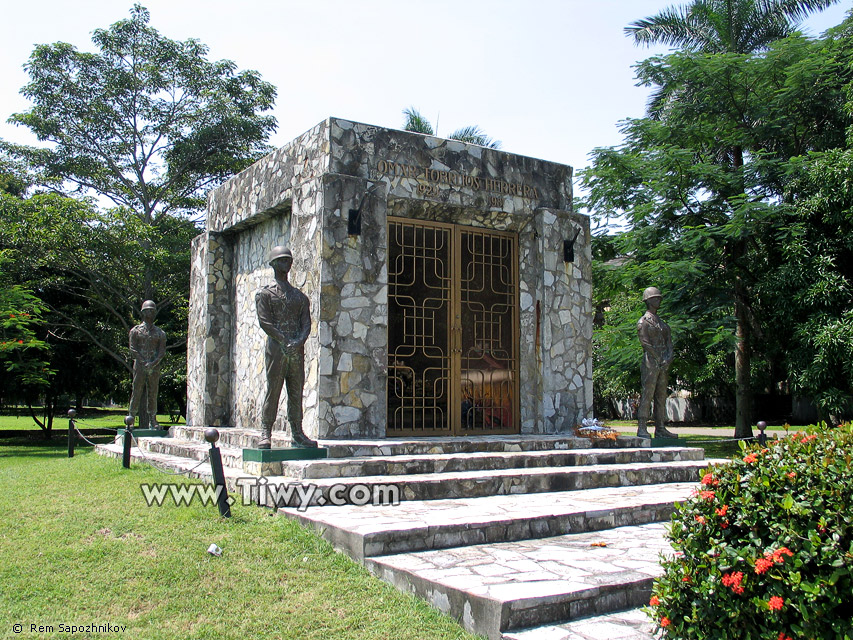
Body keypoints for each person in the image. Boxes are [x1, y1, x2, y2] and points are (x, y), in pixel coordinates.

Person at [255, 246, 315, 449]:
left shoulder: (299, 297)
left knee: (296, 391)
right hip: (277, 349)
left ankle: (297, 433)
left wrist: (298, 342)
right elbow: (265, 322)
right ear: (273, 263)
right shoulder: (265, 294)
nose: (286, 264)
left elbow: (306, 324)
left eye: (288, 260)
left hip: (296, 351)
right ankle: (266, 432)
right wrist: (284, 340)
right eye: (281, 260)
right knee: (273, 390)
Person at [636, 287, 677, 439]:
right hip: (650, 362)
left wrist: (668, 358)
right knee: (647, 394)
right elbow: (645, 343)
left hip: (663, 363)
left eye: (659, 298)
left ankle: (660, 427)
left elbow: (669, 343)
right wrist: (659, 358)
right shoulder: (643, 322)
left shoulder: (662, 323)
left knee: (661, 395)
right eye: (655, 298)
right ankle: (642, 427)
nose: (658, 300)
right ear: (647, 301)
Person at [128, 300, 167, 429]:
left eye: (152, 310)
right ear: (143, 313)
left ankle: (153, 419)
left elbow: (161, 351)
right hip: (140, 366)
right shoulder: (135, 331)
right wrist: (144, 363)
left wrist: (154, 363)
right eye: (148, 310)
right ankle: (131, 417)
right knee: (137, 390)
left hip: (154, 367)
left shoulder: (160, 333)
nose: (150, 312)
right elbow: (133, 349)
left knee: (153, 392)